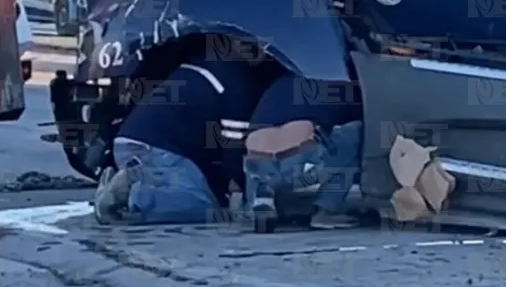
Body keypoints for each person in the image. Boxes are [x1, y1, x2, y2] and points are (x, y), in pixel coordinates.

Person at [93, 56, 272, 225]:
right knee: (204, 206)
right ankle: (129, 200)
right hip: (159, 150)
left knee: (194, 194)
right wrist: (243, 193)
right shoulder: (239, 83)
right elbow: (232, 151)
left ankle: (129, 181)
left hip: (129, 141)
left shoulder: (206, 66)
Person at [242, 73, 362, 232]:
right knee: (354, 132)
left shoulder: (281, 82)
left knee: (260, 153)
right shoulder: (342, 82)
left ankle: (262, 197)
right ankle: (325, 210)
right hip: (301, 163)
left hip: (257, 163)